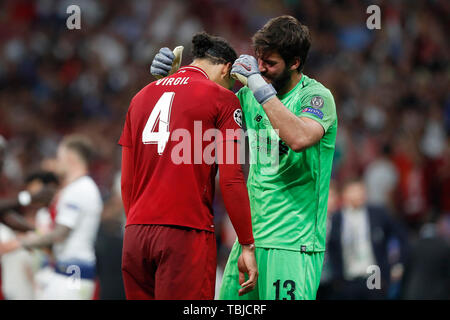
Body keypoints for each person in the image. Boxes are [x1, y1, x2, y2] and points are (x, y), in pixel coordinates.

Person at [151, 15, 337, 300]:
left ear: (295, 62)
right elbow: (196, 124)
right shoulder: (248, 96)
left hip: (293, 242)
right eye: (259, 60)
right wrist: (173, 82)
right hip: (249, 241)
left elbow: (299, 138)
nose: (261, 68)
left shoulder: (315, 97)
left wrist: (257, 87)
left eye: (270, 63)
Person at [119, 32, 258, 300]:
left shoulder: (139, 98)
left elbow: (127, 180)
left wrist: (137, 226)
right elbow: (231, 178)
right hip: (185, 233)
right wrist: (246, 244)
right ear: (226, 68)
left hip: (135, 235)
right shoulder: (223, 98)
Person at [0, 134, 103, 300]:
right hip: (63, 272)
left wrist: (18, 243)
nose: (57, 161)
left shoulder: (81, 189)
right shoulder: (76, 188)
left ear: (70, 158)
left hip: (73, 274)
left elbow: (60, 234)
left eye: (59, 156)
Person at [327, 179, 409, 300]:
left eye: (362, 190)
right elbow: (331, 248)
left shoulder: (377, 213)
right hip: (346, 281)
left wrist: (398, 265)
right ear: (345, 194)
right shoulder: (336, 218)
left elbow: (402, 236)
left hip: (373, 277)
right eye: (354, 191)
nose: (359, 195)